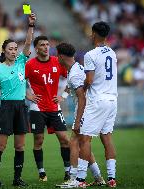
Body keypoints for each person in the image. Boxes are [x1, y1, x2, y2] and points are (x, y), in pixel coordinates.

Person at [0, 13, 36, 188]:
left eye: (15, 48)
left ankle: (17, 179)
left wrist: (30, 26)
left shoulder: (21, 63)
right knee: (0, 146)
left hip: (21, 107)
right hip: (7, 107)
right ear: (4, 51)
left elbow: (29, 43)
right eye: (10, 49)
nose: (14, 51)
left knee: (20, 147)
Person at [55, 43, 105, 188]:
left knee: (74, 142)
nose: (56, 58)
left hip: (85, 108)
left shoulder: (75, 73)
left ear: (61, 56)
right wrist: (63, 96)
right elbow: (70, 86)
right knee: (84, 144)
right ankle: (98, 177)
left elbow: (81, 97)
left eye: (57, 55)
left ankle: (74, 178)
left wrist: (77, 121)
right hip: (90, 107)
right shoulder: (75, 68)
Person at [75, 21, 118, 188]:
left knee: (85, 139)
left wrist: (83, 88)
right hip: (112, 99)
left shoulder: (90, 54)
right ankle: (112, 178)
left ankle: (80, 180)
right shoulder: (112, 53)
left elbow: (90, 79)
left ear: (93, 34)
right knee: (106, 137)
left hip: (98, 100)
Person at [25, 36, 70, 182]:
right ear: (36, 48)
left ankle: (68, 172)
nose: (46, 47)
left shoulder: (57, 61)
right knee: (38, 140)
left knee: (64, 139)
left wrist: (63, 95)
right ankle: (42, 172)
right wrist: (28, 95)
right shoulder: (30, 64)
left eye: (47, 44)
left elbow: (73, 77)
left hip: (54, 107)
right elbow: (18, 82)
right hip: (37, 108)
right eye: (42, 45)